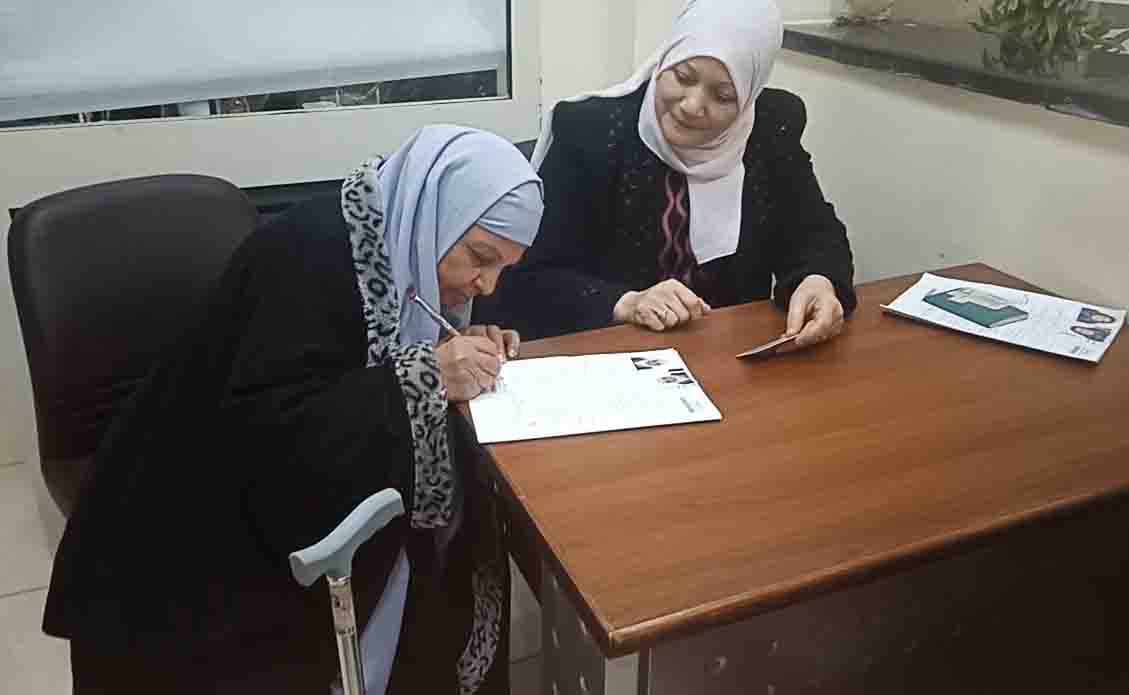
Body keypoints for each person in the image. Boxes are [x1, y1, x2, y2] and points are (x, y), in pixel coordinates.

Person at [42, 126, 543, 695]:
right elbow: (271, 438)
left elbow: (369, 356)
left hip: (255, 483)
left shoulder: (402, 244)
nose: (487, 284)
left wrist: (458, 347)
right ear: (433, 211)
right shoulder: (306, 255)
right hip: (180, 528)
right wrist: (423, 376)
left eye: (504, 268)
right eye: (481, 257)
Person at [474, 0, 857, 346]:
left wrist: (818, 280)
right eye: (683, 77)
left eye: (724, 96)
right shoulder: (590, 133)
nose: (692, 105)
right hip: (612, 356)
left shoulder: (769, 129)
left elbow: (814, 232)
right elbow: (525, 279)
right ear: (663, 60)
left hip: (729, 355)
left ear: (748, 97)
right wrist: (625, 302)